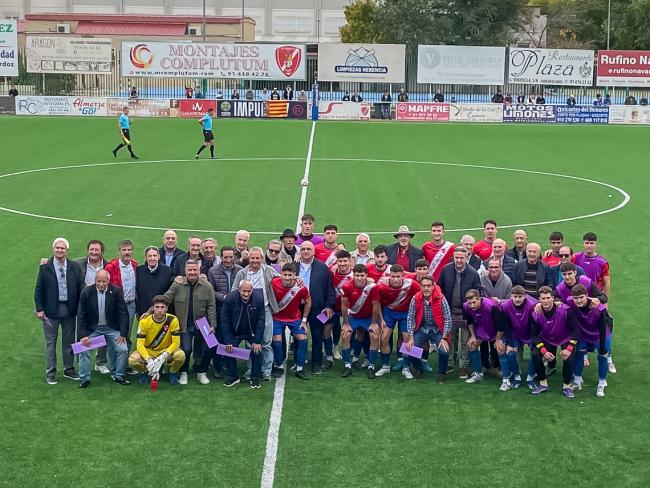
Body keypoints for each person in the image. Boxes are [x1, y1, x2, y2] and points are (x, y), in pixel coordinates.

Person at [34, 237, 85, 384]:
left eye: (62, 248)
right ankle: (50, 373)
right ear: (53, 249)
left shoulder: (74, 267)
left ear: (67, 250)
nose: (60, 250)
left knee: (69, 341)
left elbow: (80, 286)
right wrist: (40, 309)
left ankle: (69, 369)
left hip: (69, 310)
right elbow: (39, 289)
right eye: (57, 248)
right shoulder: (45, 267)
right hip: (51, 311)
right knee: (50, 343)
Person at [163, 259, 217, 385]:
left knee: (211, 346)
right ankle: (184, 372)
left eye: (195, 270)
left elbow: (211, 306)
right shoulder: (177, 284)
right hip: (184, 324)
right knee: (186, 349)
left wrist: (213, 324)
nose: (192, 272)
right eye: (190, 270)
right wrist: (150, 311)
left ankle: (201, 371)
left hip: (203, 324)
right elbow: (166, 299)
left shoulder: (207, 285)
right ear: (185, 271)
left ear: (199, 271)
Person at [232, 247, 281, 380]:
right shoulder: (242, 273)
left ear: (262, 258)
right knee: (249, 343)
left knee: (266, 342)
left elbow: (283, 280)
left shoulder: (269, 270)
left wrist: (297, 279)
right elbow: (234, 290)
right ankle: (250, 369)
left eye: (257, 258)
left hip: (265, 309)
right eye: (252, 258)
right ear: (249, 258)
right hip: (247, 311)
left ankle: (266, 371)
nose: (255, 260)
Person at [76, 270, 130, 388]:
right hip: (93, 329)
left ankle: (119, 375)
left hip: (112, 328)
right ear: (95, 281)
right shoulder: (86, 292)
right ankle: (85, 378)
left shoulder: (116, 291)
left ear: (108, 281)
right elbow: (81, 315)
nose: (101, 284)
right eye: (98, 281)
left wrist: (123, 334)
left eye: (104, 281)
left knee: (123, 349)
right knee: (82, 349)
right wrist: (83, 335)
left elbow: (123, 314)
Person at [437, 247, 480, 378]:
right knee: (450, 338)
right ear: (453, 257)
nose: (459, 260)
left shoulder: (473, 273)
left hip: (466, 313)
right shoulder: (446, 270)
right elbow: (440, 289)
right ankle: (449, 362)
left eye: (462, 257)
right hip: (449, 311)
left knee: (465, 340)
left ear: (466, 257)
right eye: (457, 257)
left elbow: (477, 294)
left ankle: (463, 365)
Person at [530, 286, 579, 398]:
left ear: (553, 298)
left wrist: (569, 349)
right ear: (539, 300)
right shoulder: (535, 313)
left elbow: (576, 330)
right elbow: (534, 334)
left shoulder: (565, 310)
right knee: (535, 355)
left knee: (569, 357)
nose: (546, 301)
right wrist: (544, 351)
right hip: (547, 337)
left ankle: (567, 386)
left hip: (565, 338)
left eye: (548, 298)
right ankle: (543, 384)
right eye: (543, 298)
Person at [295, 241, 337, 373]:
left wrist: (330, 305)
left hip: (317, 307)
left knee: (317, 335)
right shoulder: (292, 266)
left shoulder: (322, 268)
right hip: (296, 307)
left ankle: (316, 363)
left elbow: (330, 288)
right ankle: (298, 361)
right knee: (298, 335)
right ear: (299, 251)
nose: (306, 251)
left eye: (308, 249)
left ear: (314, 252)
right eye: (303, 249)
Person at [376, 265, 421, 378]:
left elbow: (420, 296)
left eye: (398, 276)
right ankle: (386, 366)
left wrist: (416, 316)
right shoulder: (381, 287)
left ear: (402, 276)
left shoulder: (412, 284)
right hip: (389, 312)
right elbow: (377, 303)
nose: (395, 279)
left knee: (407, 339)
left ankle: (406, 367)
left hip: (405, 313)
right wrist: (381, 320)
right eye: (393, 276)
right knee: (384, 338)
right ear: (389, 276)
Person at [405, 276, 453, 382]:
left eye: (428, 286)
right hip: (422, 329)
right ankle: (419, 369)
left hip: (437, 330)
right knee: (409, 349)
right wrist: (411, 337)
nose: (426, 288)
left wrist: (444, 337)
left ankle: (441, 372)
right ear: (420, 287)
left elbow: (448, 318)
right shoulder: (415, 298)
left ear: (433, 287)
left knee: (443, 351)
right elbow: (410, 317)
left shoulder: (441, 298)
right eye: (423, 286)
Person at [129, 295, 185, 385]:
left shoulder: (173, 320)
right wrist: (149, 360)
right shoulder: (144, 321)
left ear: (166, 308)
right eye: (157, 307)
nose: (159, 310)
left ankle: (172, 372)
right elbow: (140, 345)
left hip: (166, 350)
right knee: (133, 360)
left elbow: (176, 342)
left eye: (162, 307)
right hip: (149, 350)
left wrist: (163, 356)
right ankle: (146, 371)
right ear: (153, 308)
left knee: (180, 355)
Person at [72, 239, 110, 373]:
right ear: (88, 250)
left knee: (103, 331)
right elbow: (61, 263)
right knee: (82, 332)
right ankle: (82, 365)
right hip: (84, 305)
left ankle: (100, 362)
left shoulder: (108, 265)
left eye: (97, 250)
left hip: (103, 303)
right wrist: (45, 263)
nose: (93, 252)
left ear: (102, 252)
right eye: (91, 249)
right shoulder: (77, 263)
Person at [567, 285, 612, 397]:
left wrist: (602, 346)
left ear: (587, 296)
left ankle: (602, 382)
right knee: (579, 354)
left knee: (603, 356)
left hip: (600, 334)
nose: (578, 300)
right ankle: (577, 381)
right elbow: (557, 301)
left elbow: (602, 326)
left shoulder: (598, 307)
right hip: (584, 333)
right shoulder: (570, 301)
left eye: (581, 297)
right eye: (575, 298)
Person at [220, 281, 266, 388]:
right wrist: (228, 341)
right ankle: (233, 376)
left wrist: (257, 341)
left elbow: (261, 320)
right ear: (239, 290)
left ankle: (255, 377)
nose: (246, 294)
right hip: (235, 332)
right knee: (228, 349)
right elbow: (224, 321)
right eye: (244, 291)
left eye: (248, 291)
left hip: (252, 332)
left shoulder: (259, 298)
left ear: (252, 290)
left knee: (257, 350)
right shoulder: (230, 298)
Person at [270, 264, 311, 380]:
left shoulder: (301, 287)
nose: (287, 278)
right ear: (281, 274)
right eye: (285, 274)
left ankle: (300, 368)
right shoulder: (274, 283)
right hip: (277, 318)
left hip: (294, 318)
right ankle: (278, 365)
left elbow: (308, 301)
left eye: (290, 275)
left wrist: (304, 320)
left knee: (303, 339)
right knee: (276, 341)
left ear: (294, 275)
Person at [463, 289, 510, 389]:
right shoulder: (466, 306)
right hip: (482, 329)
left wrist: (498, 340)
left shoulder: (492, 306)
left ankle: (506, 379)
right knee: (472, 346)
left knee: (500, 349)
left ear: (479, 298)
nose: (471, 305)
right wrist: (472, 335)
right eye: (469, 303)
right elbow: (469, 322)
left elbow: (501, 325)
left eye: (474, 302)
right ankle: (478, 373)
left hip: (496, 330)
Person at [340, 265, 381, 379]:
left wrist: (374, 323)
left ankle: (371, 367)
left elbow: (375, 305)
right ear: (353, 276)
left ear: (367, 276)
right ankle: (347, 366)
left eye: (362, 275)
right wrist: (346, 323)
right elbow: (343, 306)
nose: (359, 278)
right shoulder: (347, 286)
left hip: (368, 318)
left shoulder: (373, 287)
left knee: (374, 336)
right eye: (357, 275)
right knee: (346, 335)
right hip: (353, 316)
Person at [207, 246, 242, 377]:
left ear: (234, 257)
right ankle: (218, 367)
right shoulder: (213, 271)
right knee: (220, 339)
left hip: (236, 311)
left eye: (230, 257)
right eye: (225, 257)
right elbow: (211, 291)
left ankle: (229, 363)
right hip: (220, 309)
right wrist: (224, 297)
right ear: (221, 257)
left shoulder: (240, 270)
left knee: (233, 339)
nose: (228, 260)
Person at [499, 285, 538, 389]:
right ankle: (516, 376)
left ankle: (530, 377)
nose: (517, 299)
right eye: (515, 296)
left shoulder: (532, 305)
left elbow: (534, 324)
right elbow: (506, 325)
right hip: (514, 334)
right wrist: (510, 343)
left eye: (520, 296)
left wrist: (534, 340)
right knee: (510, 353)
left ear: (525, 296)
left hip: (529, 333)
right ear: (511, 296)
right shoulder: (505, 305)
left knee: (535, 353)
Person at [104, 240, 138, 359]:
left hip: (131, 305)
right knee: (115, 335)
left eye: (129, 250)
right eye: (124, 250)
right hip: (116, 307)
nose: (127, 252)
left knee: (126, 334)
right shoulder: (111, 267)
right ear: (119, 251)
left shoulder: (134, 265)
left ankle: (124, 364)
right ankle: (114, 365)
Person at [135, 246, 174, 318]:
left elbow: (170, 293)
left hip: (161, 313)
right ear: (146, 257)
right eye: (149, 256)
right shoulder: (139, 270)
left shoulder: (167, 271)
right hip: (143, 312)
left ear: (159, 256)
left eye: (155, 255)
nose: (152, 258)